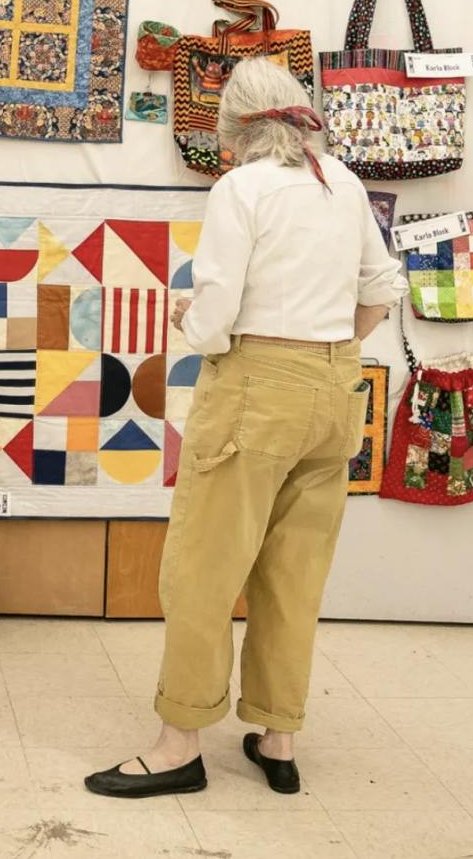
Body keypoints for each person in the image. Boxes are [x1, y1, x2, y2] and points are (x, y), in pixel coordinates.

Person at [86, 58, 403, 801]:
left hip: (258, 386)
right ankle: (278, 737)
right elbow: (380, 289)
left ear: (233, 127)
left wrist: (189, 319)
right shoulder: (342, 181)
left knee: (203, 567)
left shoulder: (241, 188)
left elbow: (217, 317)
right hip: (336, 385)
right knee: (295, 571)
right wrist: (327, 351)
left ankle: (178, 745)